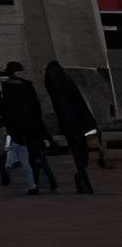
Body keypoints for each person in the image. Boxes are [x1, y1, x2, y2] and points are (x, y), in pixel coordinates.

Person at [1, 60, 58, 193]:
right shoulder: (26, 86)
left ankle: (35, 184)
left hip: (19, 127)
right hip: (32, 125)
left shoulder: (8, 87)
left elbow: (7, 110)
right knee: (37, 155)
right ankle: (47, 181)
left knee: (27, 158)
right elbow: (35, 109)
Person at [44, 59, 98, 195]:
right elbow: (79, 105)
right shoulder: (66, 83)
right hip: (78, 122)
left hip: (69, 124)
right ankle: (83, 179)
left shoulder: (53, 86)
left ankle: (81, 178)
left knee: (77, 152)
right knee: (81, 153)